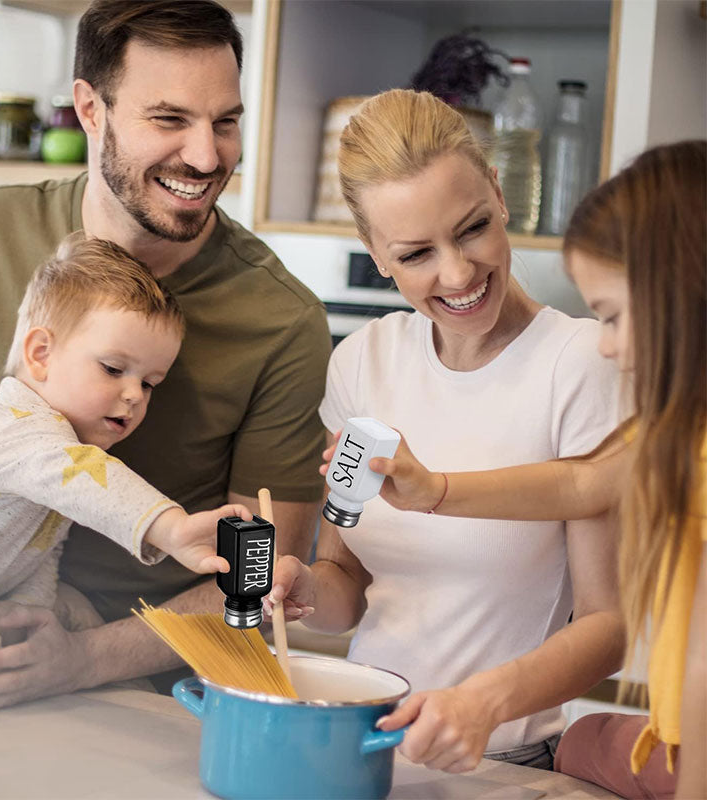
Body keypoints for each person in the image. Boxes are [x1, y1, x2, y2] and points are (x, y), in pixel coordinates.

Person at [0, 0, 331, 710]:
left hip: (141, 684)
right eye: (169, 120)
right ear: (90, 110)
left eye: (226, 122)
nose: (206, 156)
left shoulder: (281, 321)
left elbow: (257, 581)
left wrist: (82, 660)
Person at [267, 88, 624, 772]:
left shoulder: (578, 363)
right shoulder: (362, 362)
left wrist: (482, 702)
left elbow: (608, 627)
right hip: (361, 746)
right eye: (416, 254)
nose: (458, 274)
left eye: (472, 228)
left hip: (505, 761)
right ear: (374, 252)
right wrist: (307, 590)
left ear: (497, 190)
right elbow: (347, 584)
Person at [347, 141, 705, 799]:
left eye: (616, 315)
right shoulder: (677, 433)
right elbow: (581, 481)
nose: (609, 345)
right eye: (415, 252)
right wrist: (435, 492)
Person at [0, 235, 255, 709]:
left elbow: (37, 550)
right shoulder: (15, 428)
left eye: (150, 383)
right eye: (114, 369)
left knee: (71, 615)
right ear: (41, 354)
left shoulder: (58, 450)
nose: (135, 394)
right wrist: (170, 528)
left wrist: (28, 615)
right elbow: (88, 477)